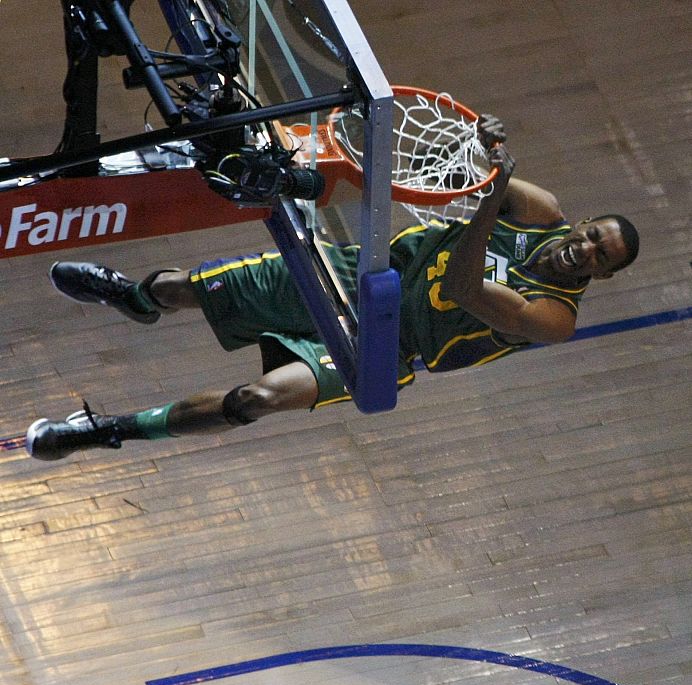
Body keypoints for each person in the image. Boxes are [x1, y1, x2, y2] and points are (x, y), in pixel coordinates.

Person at [26, 116, 639, 461]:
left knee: (255, 400)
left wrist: (484, 205)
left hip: (385, 344)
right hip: (355, 273)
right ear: (584, 225)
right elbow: (469, 175)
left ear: (601, 277)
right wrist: (482, 150)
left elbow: (465, 286)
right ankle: (136, 299)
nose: (584, 251)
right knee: (183, 290)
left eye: (597, 260)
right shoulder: (542, 211)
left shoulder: (557, 319)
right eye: (592, 237)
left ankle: (107, 430)